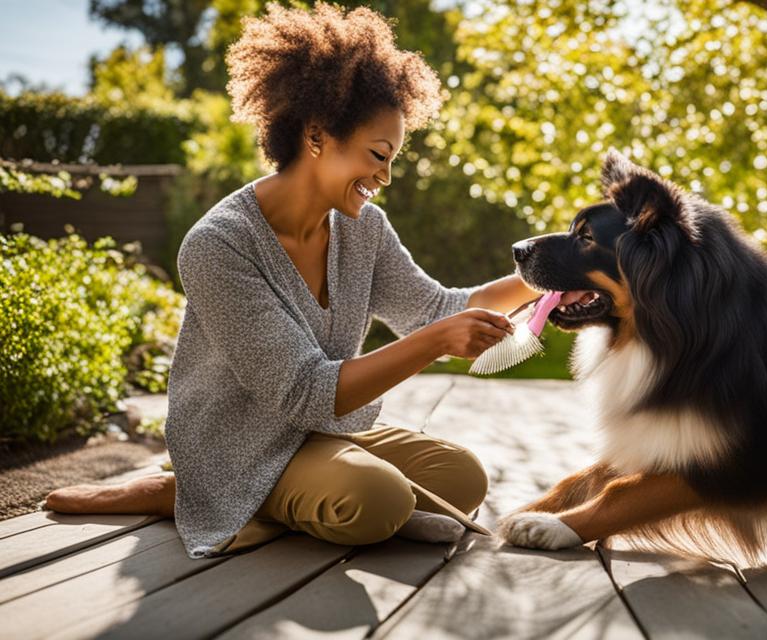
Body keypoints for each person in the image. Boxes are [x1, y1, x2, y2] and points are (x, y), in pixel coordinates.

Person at [44, 2, 539, 559]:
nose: (387, 175)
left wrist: (548, 274)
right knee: (375, 499)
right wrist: (432, 344)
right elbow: (306, 391)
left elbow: (437, 308)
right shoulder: (218, 245)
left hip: (323, 432)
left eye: (392, 158)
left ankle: (290, 497)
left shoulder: (363, 229)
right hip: (239, 443)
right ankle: (192, 491)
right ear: (317, 133)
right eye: (379, 154)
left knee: (462, 476)